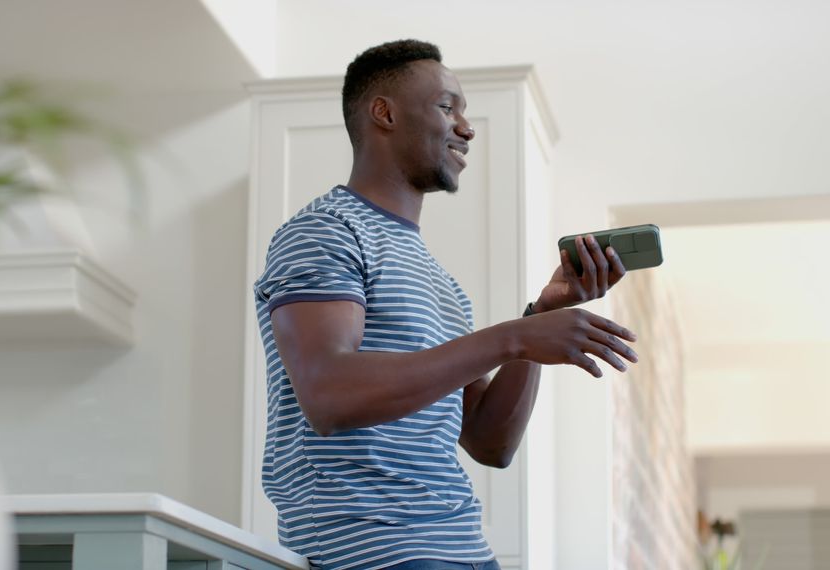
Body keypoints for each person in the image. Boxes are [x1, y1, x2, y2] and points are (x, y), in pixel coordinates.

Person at [253, 39, 638, 570]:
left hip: (466, 550)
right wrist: (514, 337)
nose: (467, 126)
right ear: (383, 113)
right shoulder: (325, 232)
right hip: (376, 549)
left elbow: (489, 442)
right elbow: (329, 394)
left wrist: (541, 316)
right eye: (446, 106)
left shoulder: (441, 283)